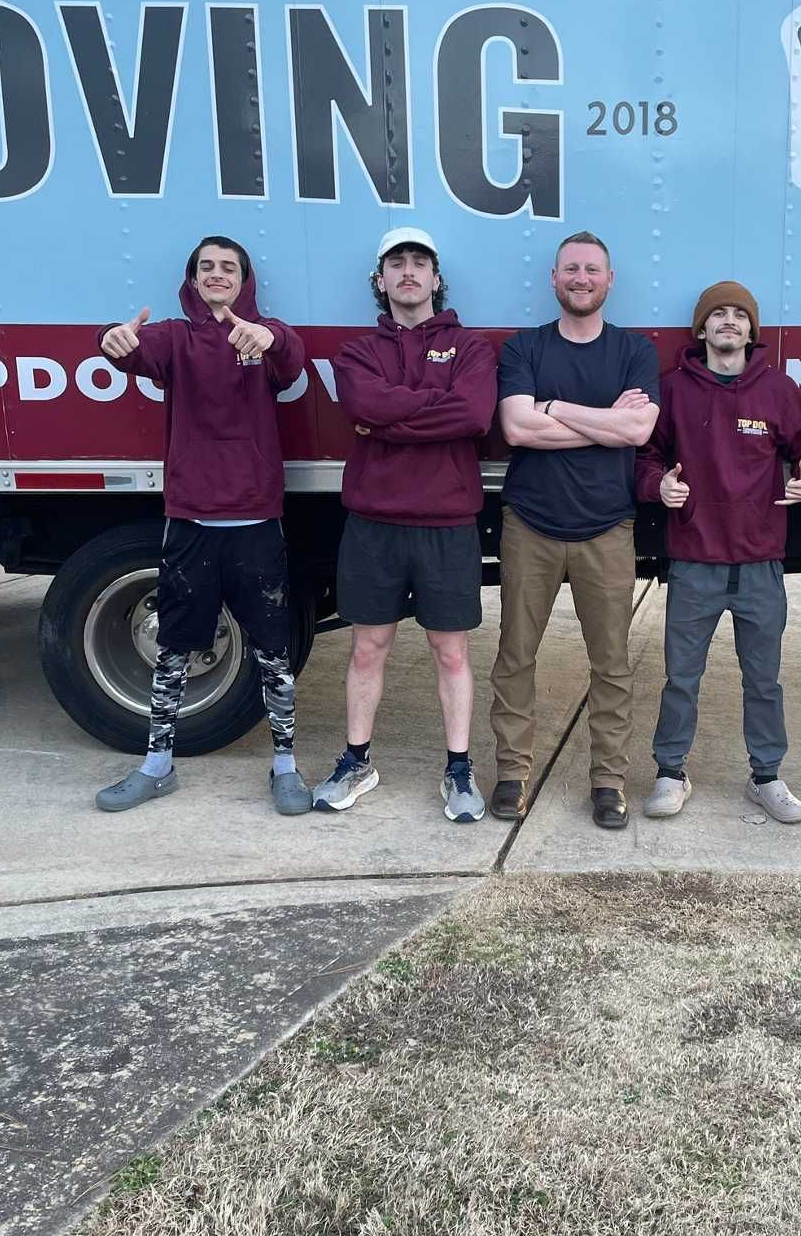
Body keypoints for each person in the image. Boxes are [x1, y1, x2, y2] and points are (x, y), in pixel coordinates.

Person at [94, 236, 310, 814]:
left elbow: (291, 361)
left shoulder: (265, 333)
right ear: (193, 278)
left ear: (245, 280)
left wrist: (268, 339)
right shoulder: (175, 335)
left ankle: (285, 766)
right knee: (172, 647)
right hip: (190, 518)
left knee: (271, 648)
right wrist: (111, 340)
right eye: (207, 267)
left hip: (256, 518)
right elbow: (131, 352)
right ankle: (156, 766)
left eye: (229, 267)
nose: (217, 274)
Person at [314, 228, 498, 823]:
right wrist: (426, 410)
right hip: (374, 523)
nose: (409, 272)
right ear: (381, 279)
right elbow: (363, 407)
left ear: (437, 279)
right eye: (397, 264)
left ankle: (460, 770)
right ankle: (357, 761)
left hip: (447, 522)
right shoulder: (358, 352)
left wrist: (394, 419)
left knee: (450, 651)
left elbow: (473, 413)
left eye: (420, 263)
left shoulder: (469, 347)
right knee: (368, 647)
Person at [636, 281, 801, 822]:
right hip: (695, 559)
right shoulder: (674, 390)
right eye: (717, 315)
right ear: (701, 330)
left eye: (738, 316)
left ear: (751, 330)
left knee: (764, 680)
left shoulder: (778, 391)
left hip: (760, 562)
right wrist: (658, 487)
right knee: (681, 678)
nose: (728, 322)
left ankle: (766, 776)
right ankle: (671, 772)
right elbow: (643, 456)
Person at [490, 231, 659, 830]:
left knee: (611, 665)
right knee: (515, 656)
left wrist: (555, 407)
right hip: (529, 524)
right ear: (554, 280)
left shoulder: (635, 351)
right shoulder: (523, 347)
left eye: (592, 270)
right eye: (570, 269)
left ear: (609, 280)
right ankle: (512, 775)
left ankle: (608, 783)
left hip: (607, 528)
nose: (581, 278)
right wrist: (605, 418)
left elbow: (639, 432)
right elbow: (516, 430)